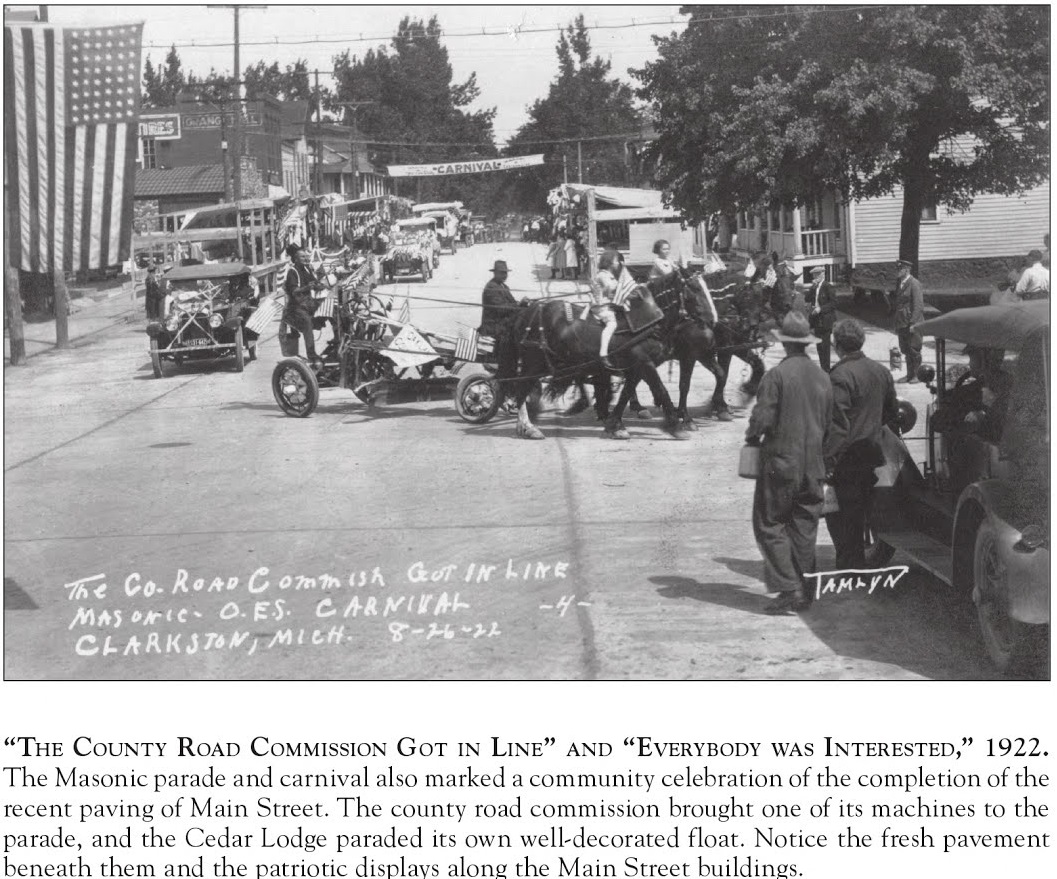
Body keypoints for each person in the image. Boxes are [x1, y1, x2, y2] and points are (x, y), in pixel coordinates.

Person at [746, 311, 833, 614]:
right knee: (804, 526)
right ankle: (806, 589)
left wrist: (751, 436)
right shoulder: (823, 377)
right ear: (806, 343)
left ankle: (789, 588)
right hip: (815, 465)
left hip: (781, 463)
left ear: (785, 344)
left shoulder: (777, 376)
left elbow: (762, 418)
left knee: (769, 523)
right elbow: (832, 425)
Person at [823, 319, 899, 570]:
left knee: (841, 516)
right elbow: (892, 412)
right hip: (872, 455)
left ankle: (850, 569)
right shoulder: (880, 371)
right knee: (860, 512)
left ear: (837, 346)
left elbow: (837, 423)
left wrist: (828, 461)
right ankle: (857, 565)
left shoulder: (839, 375)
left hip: (846, 459)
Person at [592, 250, 638, 369]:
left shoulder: (610, 275)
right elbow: (612, 288)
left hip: (610, 305)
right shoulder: (602, 275)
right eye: (616, 261)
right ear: (609, 263)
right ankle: (603, 353)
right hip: (601, 307)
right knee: (612, 324)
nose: (619, 263)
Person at [282, 243, 324, 366]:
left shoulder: (307, 269)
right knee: (307, 322)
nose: (306, 259)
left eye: (306, 257)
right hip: (295, 308)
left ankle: (338, 341)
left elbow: (315, 284)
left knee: (333, 309)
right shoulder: (292, 272)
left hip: (308, 304)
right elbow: (294, 292)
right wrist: (307, 287)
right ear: (295, 258)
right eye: (302, 257)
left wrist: (320, 285)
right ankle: (312, 355)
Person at [888, 258, 924, 382]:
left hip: (912, 322)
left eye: (900, 269)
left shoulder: (914, 283)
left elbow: (918, 305)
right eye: (897, 269)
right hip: (902, 322)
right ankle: (909, 375)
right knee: (905, 349)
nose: (897, 271)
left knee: (914, 349)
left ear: (907, 270)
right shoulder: (900, 283)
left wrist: (913, 323)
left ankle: (917, 375)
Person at [805, 266, 838, 371]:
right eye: (814, 274)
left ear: (823, 274)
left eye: (818, 274)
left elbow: (833, 303)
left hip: (826, 320)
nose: (816, 276)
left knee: (825, 347)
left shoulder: (828, 286)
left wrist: (821, 309)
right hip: (816, 320)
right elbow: (807, 298)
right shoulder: (815, 287)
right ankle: (823, 368)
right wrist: (812, 287)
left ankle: (826, 370)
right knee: (819, 346)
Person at [478, 260, 521, 340]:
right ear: (495, 273)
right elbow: (500, 309)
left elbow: (512, 303)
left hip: (502, 322)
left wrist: (522, 304)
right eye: (501, 273)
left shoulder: (504, 286)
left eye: (505, 273)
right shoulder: (491, 287)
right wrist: (518, 305)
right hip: (494, 326)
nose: (504, 275)